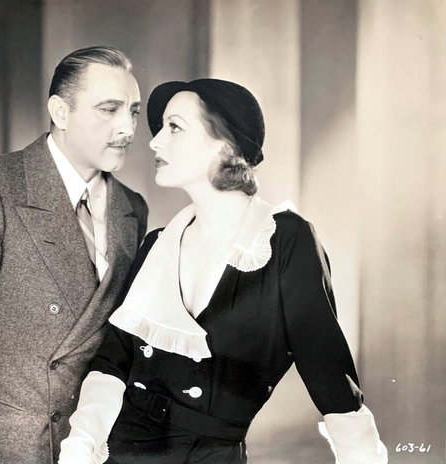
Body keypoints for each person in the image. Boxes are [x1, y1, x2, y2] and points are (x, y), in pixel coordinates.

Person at [57, 79, 388, 464]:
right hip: (121, 450)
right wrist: (80, 446)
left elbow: (328, 373)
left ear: (224, 144)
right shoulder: (158, 244)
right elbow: (113, 361)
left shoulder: (283, 241)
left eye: (174, 127)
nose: (155, 142)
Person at [0, 46, 148, 464]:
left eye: (133, 112)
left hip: (93, 446)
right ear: (61, 112)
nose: (127, 128)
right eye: (109, 109)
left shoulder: (132, 209)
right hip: (8, 449)